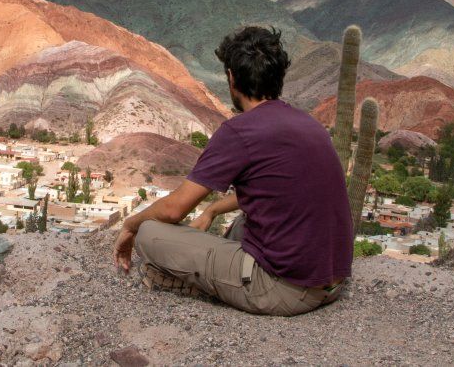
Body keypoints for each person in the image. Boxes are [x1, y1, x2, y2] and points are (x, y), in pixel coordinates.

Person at [112, 26, 353, 316]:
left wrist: (130, 226)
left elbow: (175, 209)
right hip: (331, 283)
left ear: (231, 77)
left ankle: (199, 285)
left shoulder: (240, 131)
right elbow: (276, 190)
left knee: (149, 232)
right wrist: (212, 210)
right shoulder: (309, 124)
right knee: (244, 221)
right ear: (279, 76)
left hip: (284, 290)